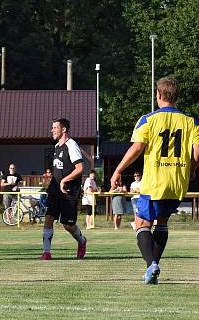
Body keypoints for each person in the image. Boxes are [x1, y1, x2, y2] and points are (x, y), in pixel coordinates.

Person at [110, 76, 199, 284]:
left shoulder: (148, 120)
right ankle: (152, 270)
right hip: (177, 183)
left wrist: (117, 170)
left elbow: (137, 148)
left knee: (142, 224)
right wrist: (191, 170)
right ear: (176, 97)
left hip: (155, 182)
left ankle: (152, 265)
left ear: (158, 95)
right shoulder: (191, 122)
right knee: (162, 222)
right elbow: (196, 154)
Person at [40, 118, 88, 260]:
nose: (52, 130)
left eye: (55, 127)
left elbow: (80, 168)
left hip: (69, 192)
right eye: (52, 127)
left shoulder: (71, 145)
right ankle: (46, 252)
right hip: (55, 190)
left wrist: (65, 181)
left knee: (68, 225)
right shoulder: (56, 147)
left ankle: (82, 241)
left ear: (64, 129)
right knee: (48, 218)